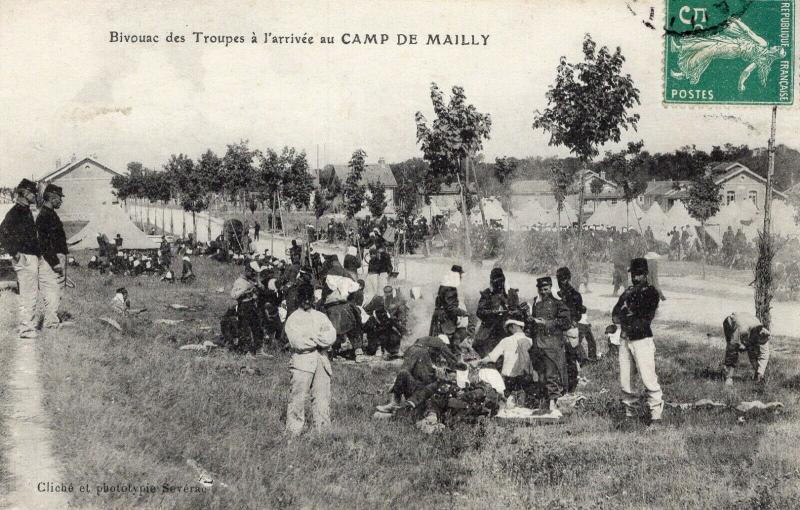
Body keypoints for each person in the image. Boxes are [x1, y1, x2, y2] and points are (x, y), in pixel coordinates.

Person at [612, 257, 663, 423]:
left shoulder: (651, 293)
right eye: (633, 274)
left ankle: (656, 416)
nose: (635, 277)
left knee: (648, 378)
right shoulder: (628, 292)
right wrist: (628, 313)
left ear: (646, 274)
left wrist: (627, 313)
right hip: (625, 339)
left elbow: (645, 318)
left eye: (639, 274)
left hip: (642, 340)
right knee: (625, 380)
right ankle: (630, 415)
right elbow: (615, 315)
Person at [284, 283, 337, 435]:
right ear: (299, 299)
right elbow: (298, 342)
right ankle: (293, 430)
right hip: (302, 362)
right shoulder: (293, 318)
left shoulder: (321, 317)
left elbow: (331, 336)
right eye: (304, 298)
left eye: (309, 298)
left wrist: (314, 339)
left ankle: (322, 431)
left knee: (322, 397)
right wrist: (319, 340)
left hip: (321, 361)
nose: (307, 301)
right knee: (298, 398)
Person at [376, 327, 463, 413]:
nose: (438, 354)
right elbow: (452, 359)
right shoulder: (438, 343)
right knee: (405, 373)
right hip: (420, 390)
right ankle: (395, 403)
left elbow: (407, 363)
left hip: (420, 391)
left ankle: (395, 403)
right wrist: (458, 364)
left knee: (403, 372)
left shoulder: (422, 346)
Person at [0, 179, 42, 338]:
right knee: (28, 293)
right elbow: (2, 233)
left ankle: (26, 325)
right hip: (24, 257)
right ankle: (26, 329)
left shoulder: (24, 210)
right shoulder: (16, 212)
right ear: (24, 192)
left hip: (29, 256)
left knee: (29, 292)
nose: (35, 195)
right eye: (33, 192)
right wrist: (15, 253)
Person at [530, 276, 571, 417]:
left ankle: (554, 404)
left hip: (553, 346)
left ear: (551, 288)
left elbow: (566, 322)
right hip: (539, 345)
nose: (543, 291)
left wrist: (547, 323)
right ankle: (544, 403)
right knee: (541, 376)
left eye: (546, 289)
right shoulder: (536, 303)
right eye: (541, 289)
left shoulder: (559, 303)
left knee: (552, 375)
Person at [473, 317, 534, 407]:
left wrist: (478, 362)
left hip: (510, 379)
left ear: (513, 326)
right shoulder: (531, 341)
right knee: (522, 405)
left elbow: (491, 358)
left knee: (508, 406)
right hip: (527, 378)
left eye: (509, 328)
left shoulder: (506, 341)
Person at [35, 183, 69, 329]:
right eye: (59, 198)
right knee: (52, 291)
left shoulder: (50, 214)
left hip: (56, 257)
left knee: (57, 291)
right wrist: (55, 262)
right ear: (51, 198)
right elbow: (44, 243)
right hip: (50, 259)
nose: (61, 201)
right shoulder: (44, 216)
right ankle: (51, 324)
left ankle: (52, 320)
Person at [556, 267, 591, 392]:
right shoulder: (559, 294)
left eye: (564, 279)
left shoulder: (573, 295)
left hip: (569, 330)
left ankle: (570, 387)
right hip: (562, 329)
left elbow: (578, 314)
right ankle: (566, 386)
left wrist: (572, 322)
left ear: (569, 279)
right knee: (564, 359)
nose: (561, 282)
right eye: (559, 279)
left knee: (570, 359)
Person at [474, 267, 519, 357]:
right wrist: (493, 313)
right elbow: (479, 312)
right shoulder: (487, 293)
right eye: (496, 283)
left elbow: (517, 310)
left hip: (507, 328)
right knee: (484, 349)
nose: (498, 285)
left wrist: (512, 312)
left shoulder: (511, 293)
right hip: (490, 328)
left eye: (500, 282)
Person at [722, 312, 770, 387]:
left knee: (752, 351)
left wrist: (760, 372)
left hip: (746, 327)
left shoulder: (763, 335)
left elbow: (764, 355)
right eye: (757, 342)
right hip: (731, 324)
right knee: (732, 349)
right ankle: (729, 377)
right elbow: (733, 348)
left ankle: (758, 377)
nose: (758, 344)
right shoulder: (741, 329)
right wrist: (741, 345)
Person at [231, 261, 266, 355]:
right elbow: (233, 295)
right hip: (244, 307)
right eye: (253, 272)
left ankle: (259, 350)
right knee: (245, 329)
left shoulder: (251, 280)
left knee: (257, 328)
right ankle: (246, 352)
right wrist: (245, 290)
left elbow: (261, 288)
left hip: (252, 306)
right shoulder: (239, 281)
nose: (254, 274)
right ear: (247, 270)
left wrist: (257, 282)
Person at [363, 285, 407, 359]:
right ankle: (378, 348)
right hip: (375, 325)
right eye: (386, 292)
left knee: (393, 340)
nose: (387, 294)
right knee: (371, 349)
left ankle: (384, 348)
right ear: (384, 292)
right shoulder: (378, 299)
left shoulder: (394, 300)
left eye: (389, 292)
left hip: (387, 325)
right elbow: (368, 310)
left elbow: (397, 316)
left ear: (391, 292)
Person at [429, 265, 469, 343]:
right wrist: (463, 312)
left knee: (437, 341)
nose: (461, 278)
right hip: (445, 321)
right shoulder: (450, 288)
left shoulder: (444, 285)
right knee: (444, 342)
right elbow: (450, 308)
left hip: (439, 317)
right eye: (460, 275)